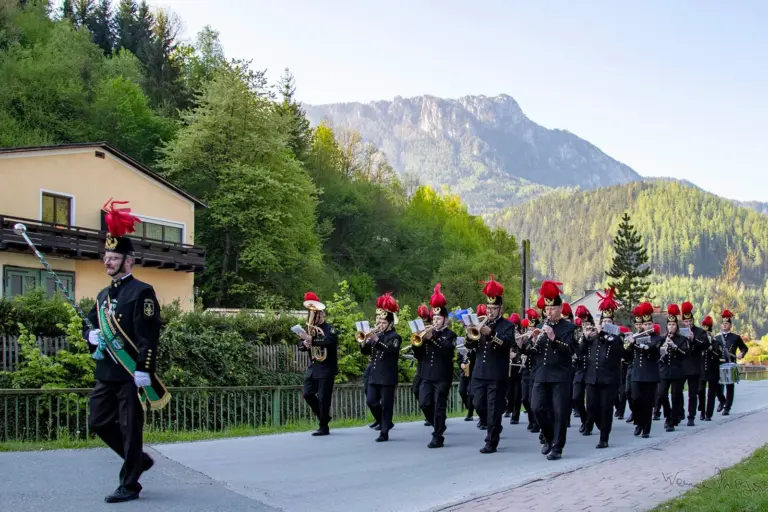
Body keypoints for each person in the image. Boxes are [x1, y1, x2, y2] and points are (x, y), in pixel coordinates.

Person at [84, 199, 162, 503]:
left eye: (113, 257)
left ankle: (130, 485)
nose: (107, 262)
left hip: (131, 373)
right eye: (105, 257)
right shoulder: (103, 295)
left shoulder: (142, 292)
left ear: (128, 260)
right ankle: (138, 461)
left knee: (131, 429)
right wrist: (90, 335)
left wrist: (144, 368)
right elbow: (91, 325)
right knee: (98, 421)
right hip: (107, 373)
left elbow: (149, 334)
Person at [521, 280, 577, 460]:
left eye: (552, 308)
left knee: (560, 412)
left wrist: (553, 338)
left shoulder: (569, 328)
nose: (549, 312)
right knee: (536, 408)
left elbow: (570, 350)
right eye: (546, 309)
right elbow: (532, 352)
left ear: (560, 308)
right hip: (541, 375)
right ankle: (549, 437)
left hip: (560, 374)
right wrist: (524, 343)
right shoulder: (539, 327)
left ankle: (557, 447)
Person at [465, 274, 516, 454]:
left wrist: (491, 333)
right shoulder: (479, 323)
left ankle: (491, 441)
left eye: (494, 308)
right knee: (479, 404)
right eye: (488, 307)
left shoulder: (508, 326)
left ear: (500, 309)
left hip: (497, 374)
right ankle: (493, 426)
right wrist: (470, 334)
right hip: (479, 372)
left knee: (494, 409)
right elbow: (469, 345)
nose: (490, 311)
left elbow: (508, 344)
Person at [579, 289, 626, 448]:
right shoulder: (594, 336)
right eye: (603, 320)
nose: (605, 323)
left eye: (608, 321)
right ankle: (601, 427)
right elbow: (580, 352)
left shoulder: (617, 338)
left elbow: (622, 353)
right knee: (591, 407)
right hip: (592, 377)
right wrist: (586, 338)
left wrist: (608, 335)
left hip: (609, 379)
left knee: (606, 407)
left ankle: (604, 437)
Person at [413, 283, 456, 448]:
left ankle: (438, 436)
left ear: (445, 319)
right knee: (424, 403)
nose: (435, 321)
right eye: (434, 319)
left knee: (439, 406)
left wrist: (432, 338)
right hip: (426, 375)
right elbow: (419, 356)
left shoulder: (450, 335)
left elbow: (446, 351)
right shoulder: (427, 334)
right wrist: (419, 342)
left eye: (438, 319)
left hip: (442, 376)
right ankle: (438, 424)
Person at [360, 293, 402, 442]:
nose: (380, 325)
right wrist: (364, 341)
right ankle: (385, 422)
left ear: (390, 324)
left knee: (386, 406)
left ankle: (384, 432)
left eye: (383, 323)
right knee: (371, 401)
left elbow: (390, 351)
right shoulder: (375, 334)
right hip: (374, 374)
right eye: (379, 322)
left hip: (387, 376)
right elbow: (365, 352)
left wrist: (376, 340)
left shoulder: (395, 337)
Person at [297, 292, 338, 436]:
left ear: (322, 315)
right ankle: (324, 417)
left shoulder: (329, 328)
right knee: (307, 394)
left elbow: (330, 342)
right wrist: (304, 344)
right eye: (312, 314)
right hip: (314, 367)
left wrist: (312, 340)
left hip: (326, 368)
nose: (313, 317)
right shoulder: (310, 329)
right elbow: (300, 345)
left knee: (323, 397)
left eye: (316, 314)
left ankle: (323, 426)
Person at [625, 302, 662, 438]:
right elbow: (627, 356)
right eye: (644, 325)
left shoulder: (657, 338)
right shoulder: (636, 337)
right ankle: (639, 423)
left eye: (649, 324)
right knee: (635, 400)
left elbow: (653, 350)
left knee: (648, 403)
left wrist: (637, 343)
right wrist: (628, 345)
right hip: (636, 374)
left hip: (650, 375)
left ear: (652, 324)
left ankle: (646, 428)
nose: (646, 326)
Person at [657, 304, 689, 432]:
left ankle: (672, 420)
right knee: (662, 395)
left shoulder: (682, 340)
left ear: (677, 326)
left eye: (673, 325)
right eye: (669, 325)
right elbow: (658, 356)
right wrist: (662, 350)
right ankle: (668, 414)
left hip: (677, 371)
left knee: (676, 396)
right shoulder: (662, 339)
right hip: (664, 371)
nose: (671, 327)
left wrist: (675, 346)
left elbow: (685, 355)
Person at [679, 301, 709, 426]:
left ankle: (691, 416)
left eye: (690, 321)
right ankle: (680, 411)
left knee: (692, 393)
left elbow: (705, 344)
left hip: (693, 366)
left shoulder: (700, 332)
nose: (688, 324)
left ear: (693, 320)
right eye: (686, 322)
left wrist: (693, 339)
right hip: (680, 366)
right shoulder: (679, 332)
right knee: (677, 391)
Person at [716, 310, 748, 416]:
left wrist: (741, 354)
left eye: (726, 323)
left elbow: (744, 348)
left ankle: (727, 407)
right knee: (717, 386)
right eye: (723, 323)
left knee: (729, 386)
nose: (724, 325)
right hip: (719, 364)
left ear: (730, 325)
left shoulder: (735, 337)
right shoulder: (716, 338)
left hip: (730, 364)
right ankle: (722, 401)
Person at [412, 304, 433, 426]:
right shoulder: (420, 336)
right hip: (421, 367)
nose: (424, 327)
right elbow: (417, 354)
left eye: (426, 324)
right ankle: (428, 414)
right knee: (416, 389)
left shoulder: (432, 334)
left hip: (431, 367)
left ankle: (432, 416)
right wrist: (417, 343)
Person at [697, 316, 721, 421]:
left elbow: (719, 355)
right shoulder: (701, 342)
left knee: (711, 393)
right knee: (700, 390)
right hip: (701, 370)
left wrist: (712, 347)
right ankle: (702, 409)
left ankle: (708, 414)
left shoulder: (716, 343)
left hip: (712, 370)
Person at [520, 313, 540, 434]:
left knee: (533, 400)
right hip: (526, 372)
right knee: (524, 399)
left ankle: (536, 423)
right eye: (529, 329)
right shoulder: (527, 340)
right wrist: (521, 342)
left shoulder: (539, 340)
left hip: (536, 372)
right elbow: (524, 351)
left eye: (533, 329)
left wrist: (534, 340)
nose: (530, 331)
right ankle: (531, 420)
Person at [572, 307, 589, 432]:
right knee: (576, 397)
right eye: (583, 323)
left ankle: (590, 422)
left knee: (592, 401)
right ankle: (584, 419)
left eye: (587, 323)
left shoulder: (595, 334)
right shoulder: (576, 333)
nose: (585, 326)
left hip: (592, 370)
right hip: (579, 369)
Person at [505, 313, 524, 425]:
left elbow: (523, 352)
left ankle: (515, 415)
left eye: (516, 326)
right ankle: (508, 408)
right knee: (508, 393)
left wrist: (519, 346)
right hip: (508, 369)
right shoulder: (508, 335)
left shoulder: (521, 337)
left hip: (518, 370)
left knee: (517, 393)